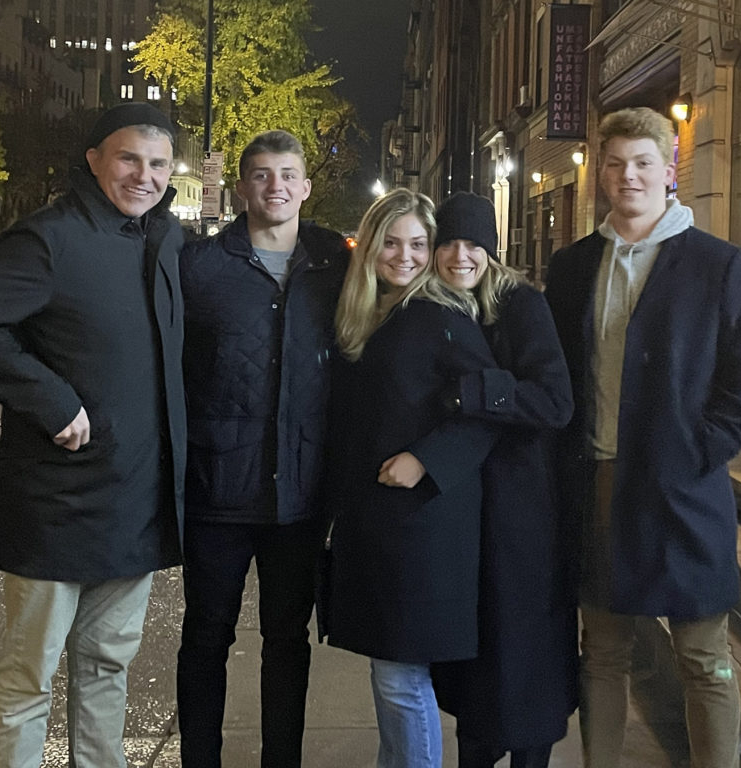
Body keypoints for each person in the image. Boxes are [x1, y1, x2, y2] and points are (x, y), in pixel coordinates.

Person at [0, 102, 186, 768]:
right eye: (129, 158)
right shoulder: (48, 238)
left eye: (158, 164)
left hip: (132, 503)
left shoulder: (165, 241)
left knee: (106, 669)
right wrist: (53, 401)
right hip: (53, 506)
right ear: (95, 158)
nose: (144, 176)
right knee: (26, 677)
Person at [544, 106, 741, 768]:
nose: (628, 176)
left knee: (703, 656)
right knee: (604, 651)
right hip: (597, 481)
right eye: (615, 163)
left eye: (643, 163)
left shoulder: (718, 266)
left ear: (669, 168)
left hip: (681, 485)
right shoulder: (571, 269)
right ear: (601, 171)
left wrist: (699, 450)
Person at [177, 129, 351, 768]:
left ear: (306, 186)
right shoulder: (200, 265)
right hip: (218, 490)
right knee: (205, 638)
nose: (274, 186)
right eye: (261, 174)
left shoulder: (336, 266)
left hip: (300, 497)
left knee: (288, 642)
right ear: (242, 185)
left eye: (287, 174)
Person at [323, 188, 499, 768]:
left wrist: (426, 459)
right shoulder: (375, 313)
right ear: (370, 247)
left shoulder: (440, 315)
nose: (404, 256)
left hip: (423, 525)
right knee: (390, 672)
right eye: (391, 243)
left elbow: (491, 410)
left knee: (401, 676)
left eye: (418, 244)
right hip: (382, 523)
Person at [427, 192, 576, 768]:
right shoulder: (437, 307)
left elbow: (556, 401)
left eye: (474, 245)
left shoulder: (520, 305)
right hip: (466, 503)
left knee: (522, 639)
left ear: (493, 250)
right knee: (478, 644)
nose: (461, 256)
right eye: (449, 244)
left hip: (522, 505)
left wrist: (477, 393)